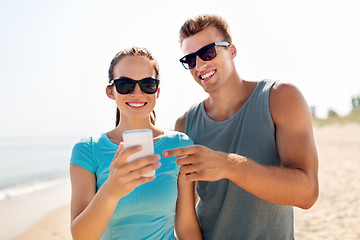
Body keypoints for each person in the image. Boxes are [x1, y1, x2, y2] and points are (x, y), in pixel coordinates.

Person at [163, 14, 319, 239]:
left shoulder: (280, 98)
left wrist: (228, 165)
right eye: (189, 60)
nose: (199, 65)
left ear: (232, 50)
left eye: (207, 52)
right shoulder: (185, 124)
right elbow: (185, 215)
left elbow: (307, 194)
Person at [70, 47, 202, 240]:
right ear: (110, 91)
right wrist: (111, 191)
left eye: (147, 84)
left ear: (157, 91)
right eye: (125, 84)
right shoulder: (87, 149)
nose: (137, 92)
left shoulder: (180, 145)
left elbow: (187, 226)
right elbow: (81, 236)